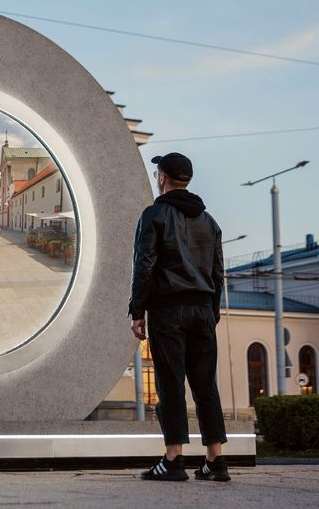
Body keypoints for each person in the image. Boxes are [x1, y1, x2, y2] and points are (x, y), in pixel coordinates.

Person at [129, 152, 229, 483]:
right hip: (202, 310)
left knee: (170, 384)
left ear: (162, 178)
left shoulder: (154, 214)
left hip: (168, 309)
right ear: (187, 179)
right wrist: (210, 312)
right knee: (205, 386)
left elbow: (145, 264)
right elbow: (218, 273)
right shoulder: (210, 221)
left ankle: (173, 460)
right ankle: (215, 461)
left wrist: (137, 309)